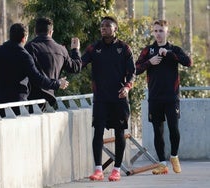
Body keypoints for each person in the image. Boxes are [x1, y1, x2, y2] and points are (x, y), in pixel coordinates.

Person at [81, 16, 136, 181]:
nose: (103, 28)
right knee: (98, 132)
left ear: (115, 29)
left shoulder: (124, 48)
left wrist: (127, 87)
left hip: (119, 98)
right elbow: (79, 64)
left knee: (119, 133)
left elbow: (132, 73)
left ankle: (116, 169)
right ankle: (98, 169)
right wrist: (74, 51)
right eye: (102, 26)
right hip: (100, 99)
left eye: (107, 25)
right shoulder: (93, 48)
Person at [135, 20, 192, 175]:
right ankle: (162, 163)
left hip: (171, 98)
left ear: (167, 32)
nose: (158, 34)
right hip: (154, 98)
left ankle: (174, 156)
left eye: (161, 30)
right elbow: (135, 69)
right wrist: (149, 62)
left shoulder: (174, 49)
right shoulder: (148, 51)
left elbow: (188, 62)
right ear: (153, 32)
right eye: (156, 31)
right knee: (157, 131)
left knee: (174, 128)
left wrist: (169, 54)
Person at [0, 23, 68, 117]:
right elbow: (38, 79)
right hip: (18, 106)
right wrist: (57, 83)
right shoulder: (24, 56)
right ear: (24, 38)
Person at [24, 17, 81, 111]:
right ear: (51, 32)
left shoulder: (30, 47)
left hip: (31, 101)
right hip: (50, 101)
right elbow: (76, 67)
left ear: (35, 31)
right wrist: (75, 50)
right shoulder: (61, 50)